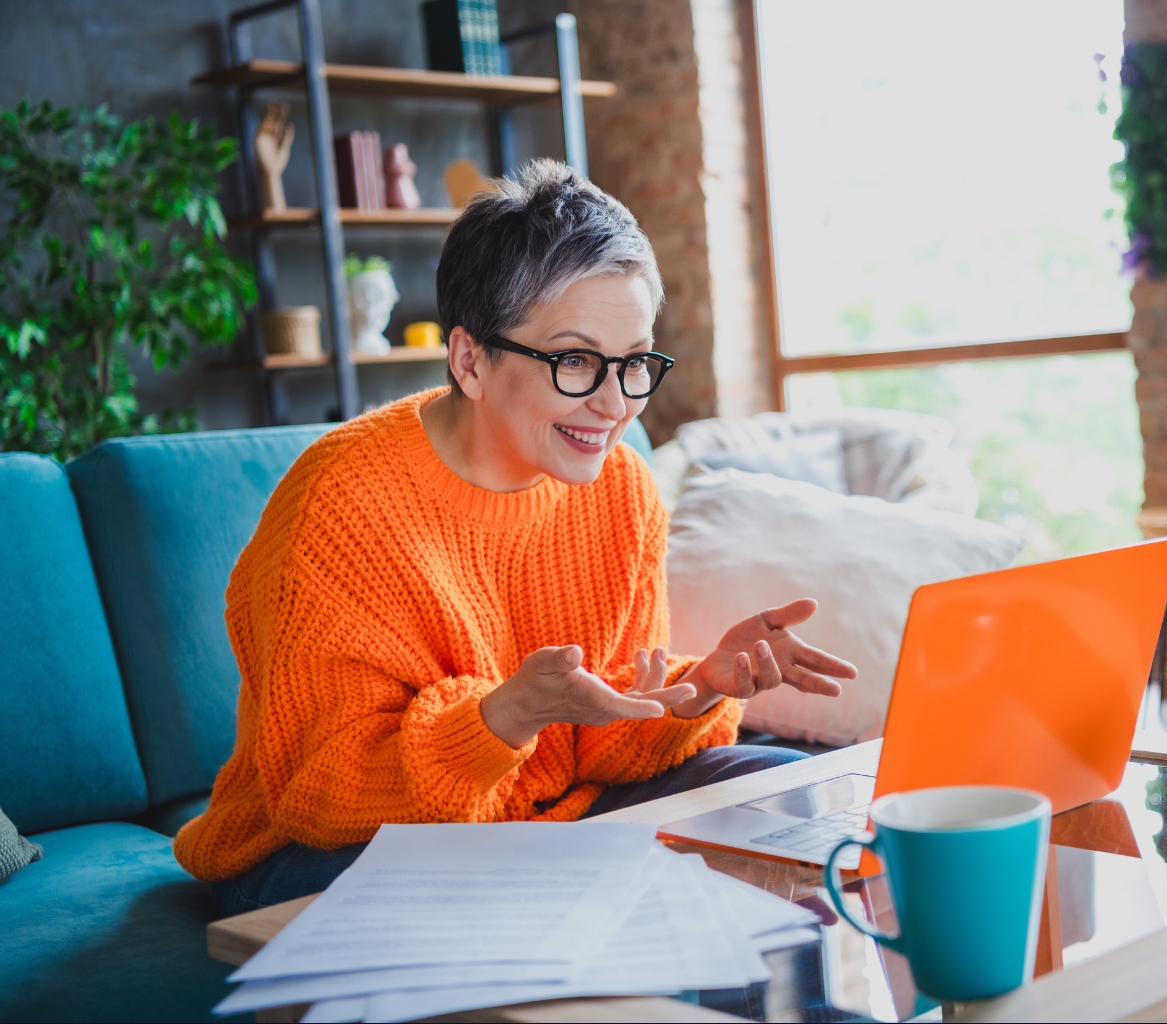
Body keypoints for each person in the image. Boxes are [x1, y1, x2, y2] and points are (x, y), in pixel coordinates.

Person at [175, 160, 857, 917]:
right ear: (471, 361)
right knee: (507, 893)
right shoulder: (338, 506)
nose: (613, 401)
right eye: (574, 361)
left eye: (634, 363)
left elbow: (604, 746)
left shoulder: (622, 489)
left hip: (549, 817)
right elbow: (321, 796)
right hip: (326, 849)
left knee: (787, 796)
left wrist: (700, 689)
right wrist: (504, 717)